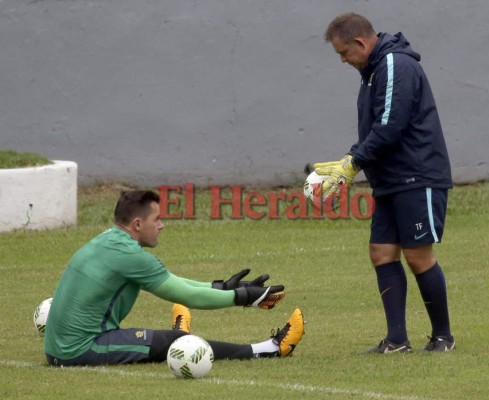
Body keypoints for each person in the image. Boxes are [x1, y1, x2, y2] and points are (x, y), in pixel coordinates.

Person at [313, 13, 454, 353]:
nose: (343, 60)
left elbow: (390, 126)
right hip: (391, 180)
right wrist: (351, 157)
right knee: (381, 253)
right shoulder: (373, 71)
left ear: (360, 43)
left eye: (343, 53)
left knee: (418, 256)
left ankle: (443, 337)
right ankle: (396, 341)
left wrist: (354, 163)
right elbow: (375, 128)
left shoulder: (394, 65)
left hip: (416, 176)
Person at [44, 190, 304, 366]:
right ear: (137, 224)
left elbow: (172, 281)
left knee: (169, 341)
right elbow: (185, 295)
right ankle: (268, 349)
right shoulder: (131, 257)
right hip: (79, 350)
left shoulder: (109, 240)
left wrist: (221, 286)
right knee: (178, 344)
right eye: (156, 219)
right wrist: (242, 297)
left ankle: (182, 332)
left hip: (61, 347)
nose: (161, 225)